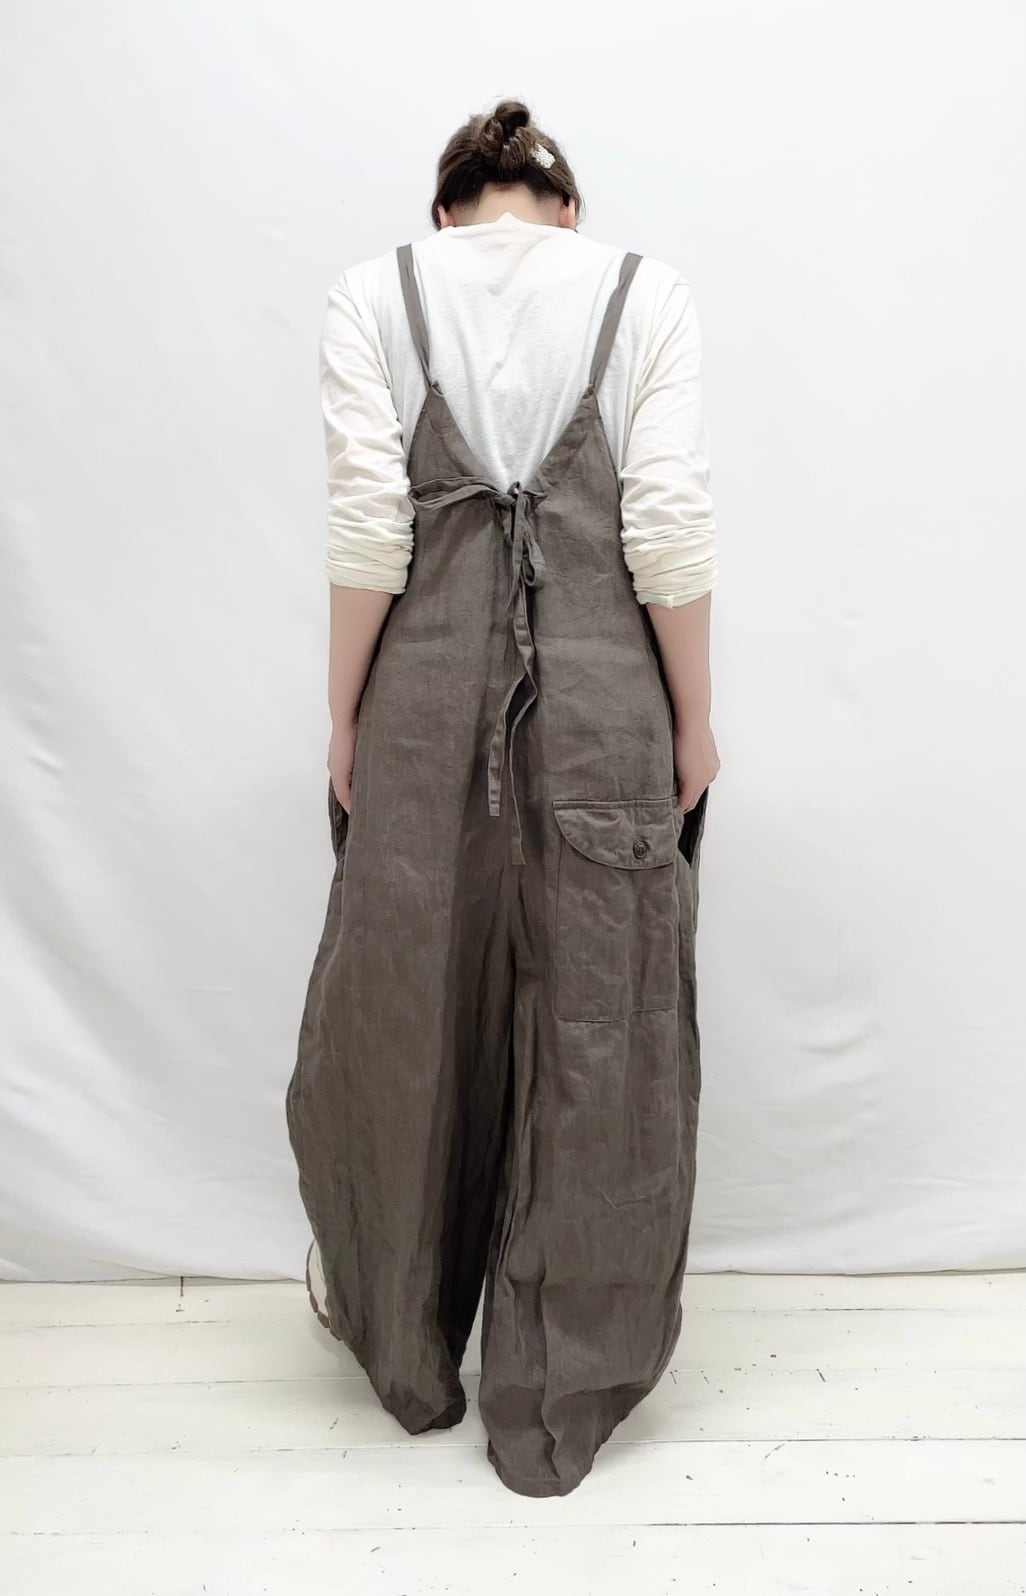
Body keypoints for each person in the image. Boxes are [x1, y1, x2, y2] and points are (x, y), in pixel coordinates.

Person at [286, 97, 721, 1499]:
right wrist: (693, 719)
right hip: (606, 702)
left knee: (405, 1014)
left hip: (421, 708)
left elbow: (368, 524)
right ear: (566, 206)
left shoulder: (375, 293)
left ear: (445, 208)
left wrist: (344, 716)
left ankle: (410, 1353)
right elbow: (667, 523)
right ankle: (560, 1395)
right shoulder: (644, 293)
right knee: (604, 1028)